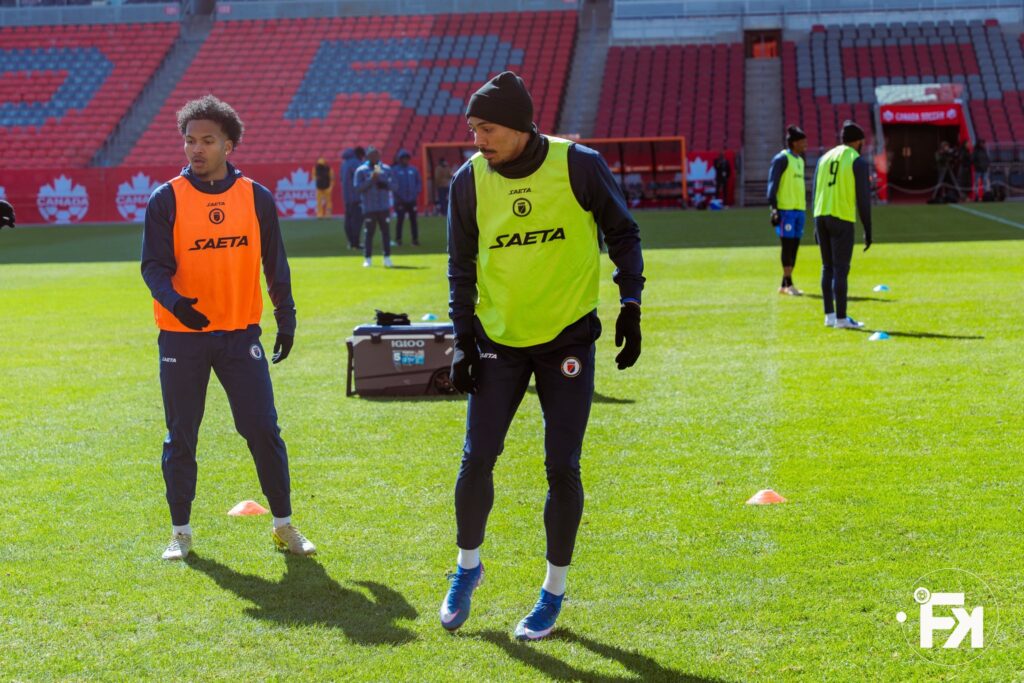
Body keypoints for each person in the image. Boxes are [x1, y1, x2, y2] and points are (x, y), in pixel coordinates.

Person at [441, 71, 645, 641]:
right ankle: (466, 568)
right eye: (473, 128)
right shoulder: (469, 180)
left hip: (567, 342)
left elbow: (623, 232)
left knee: (562, 466)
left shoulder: (578, 164)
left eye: (487, 128)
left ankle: (552, 592)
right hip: (499, 342)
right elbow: (460, 265)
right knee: (476, 457)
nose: (477, 139)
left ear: (522, 125)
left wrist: (631, 301)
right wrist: (463, 339)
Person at [141, 94, 316, 561]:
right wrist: (177, 305)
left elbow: (275, 264)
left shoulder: (256, 197)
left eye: (207, 140)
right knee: (182, 434)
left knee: (262, 428)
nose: (195, 149)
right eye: (189, 140)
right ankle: (180, 532)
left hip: (241, 336)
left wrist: (287, 316)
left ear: (229, 144)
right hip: (182, 337)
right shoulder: (166, 199)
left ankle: (283, 525)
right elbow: (153, 268)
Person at [812, 120, 873, 330]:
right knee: (840, 269)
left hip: (821, 214)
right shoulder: (857, 161)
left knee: (826, 267)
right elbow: (864, 200)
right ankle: (841, 318)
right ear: (857, 141)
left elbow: (814, 192)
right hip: (841, 217)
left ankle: (829, 315)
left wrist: (814, 224)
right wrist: (868, 229)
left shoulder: (823, 158)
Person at [766, 125, 808, 296]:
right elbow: (772, 184)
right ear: (794, 143)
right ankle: (789, 285)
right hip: (786, 211)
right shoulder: (781, 159)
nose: (805, 144)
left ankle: (784, 285)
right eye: (803, 141)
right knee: (787, 246)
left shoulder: (800, 160)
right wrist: (774, 209)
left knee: (795, 246)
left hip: (799, 210)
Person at [353, 146, 394, 268]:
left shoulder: (386, 169)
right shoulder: (361, 170)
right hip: (369, 207)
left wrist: (385, 184)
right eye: (372, 155)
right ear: (367, 156)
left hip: (383, 207)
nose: (374, 157)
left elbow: (395, 186)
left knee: (386, 232)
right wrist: (371, 180)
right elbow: (358, 188)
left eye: (376, 155)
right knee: (369, 233)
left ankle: (387, 257)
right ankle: (368, 258)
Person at [391, 149, 422, 246]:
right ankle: (398, 240)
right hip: (400, 201)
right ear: (400, 159)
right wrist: (399, 196)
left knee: (413, 221)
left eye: (407, 158)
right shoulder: (395, 170)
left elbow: (418, 182)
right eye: (403, 158)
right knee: (400, 221)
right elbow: (393, 185)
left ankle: (415, 240)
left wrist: (416, 193)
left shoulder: (413, 169)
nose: (405, 160)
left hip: (412, 200)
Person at [341, 146, 365, 249]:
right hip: (356, 197)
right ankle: (355, 243)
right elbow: (363, 177)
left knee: (349, 221)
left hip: (347, 197)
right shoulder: (356, 163)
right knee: (357, 221)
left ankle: (351, 242)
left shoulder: (344, 164)